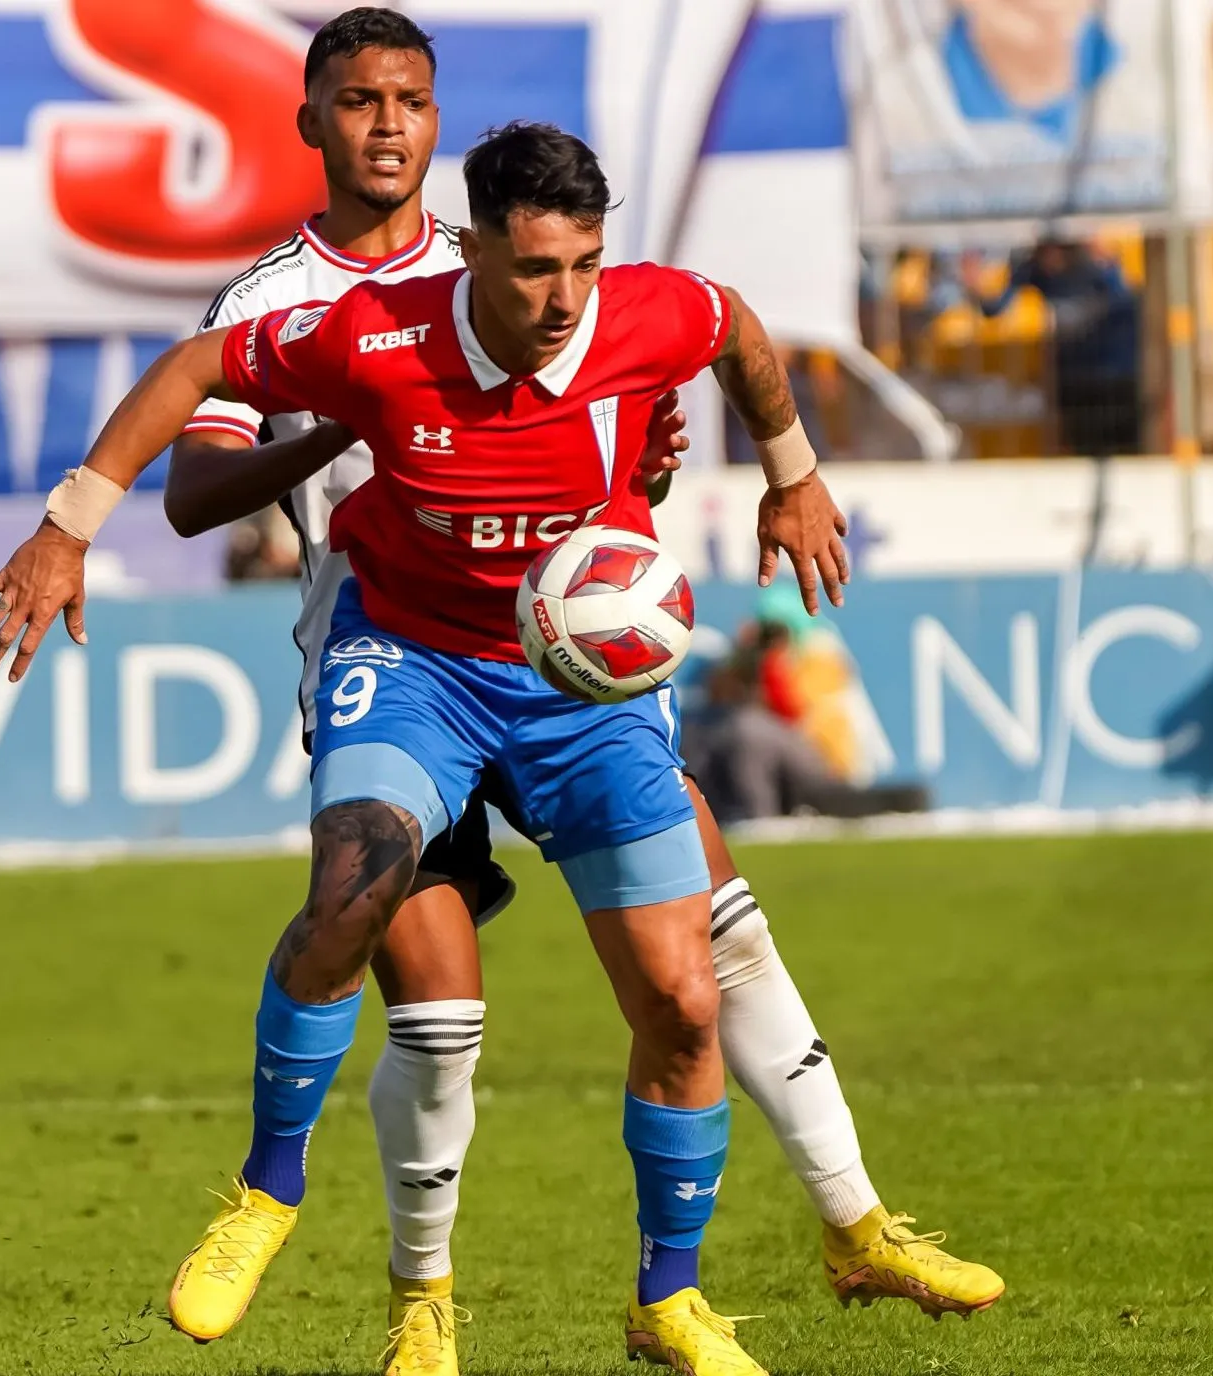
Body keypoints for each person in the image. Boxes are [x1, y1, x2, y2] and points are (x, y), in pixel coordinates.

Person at [150, 15, 1001, 1376]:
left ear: (439, 122)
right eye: (358, 101)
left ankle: (850, 1223)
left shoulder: (527, 262)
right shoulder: (292, 306)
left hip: (562, 657)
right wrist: (347, 427)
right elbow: (193, 488)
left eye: (409, 99)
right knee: (437, 1017)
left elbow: (636, 418)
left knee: (710, 948)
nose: (386, 124)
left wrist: (664, 470)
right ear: (311, 120)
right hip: (391, 660)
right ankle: (416, 1301)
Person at [0, 112, 862, 1374]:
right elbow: (193, 367)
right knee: (355, 880)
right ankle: (266, 1191)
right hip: (411, 664)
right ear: (474, 250)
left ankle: (668, 1299)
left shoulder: (647, 312)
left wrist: (793, 472)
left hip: (570, 690)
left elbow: (739, 333)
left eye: (583, 265)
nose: (562, 299)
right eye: (534, 268)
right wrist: (67, 526)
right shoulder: (374, 335)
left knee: (681, 992)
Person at [960, 238, 1141, 456]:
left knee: (1122, 446)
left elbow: (1124, 299)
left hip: (1112, 375)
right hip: (1071, 378)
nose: (1052, 259)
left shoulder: (1094, 268)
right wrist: (976, 288)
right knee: (1082, 446)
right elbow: (994, 309)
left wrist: (1108, 264)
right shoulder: (1032, 270)